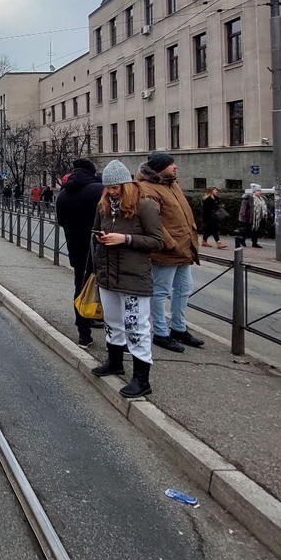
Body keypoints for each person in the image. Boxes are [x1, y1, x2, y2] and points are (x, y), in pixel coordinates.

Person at [90, 160, 164, 398]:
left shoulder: (145, 206)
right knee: (112, 321)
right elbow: (95, 230)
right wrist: (100, 238)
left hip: (133, 277)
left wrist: (125, 239)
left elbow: (157, 241)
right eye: (108, 187)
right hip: (107, 274)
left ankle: (142, 379)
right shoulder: (103, 206)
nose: (111, 191)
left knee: (136, 326)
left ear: (127, 185)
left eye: (116, 187)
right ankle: (115, 362)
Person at [136, 151, 204, 352]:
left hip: (184, 246)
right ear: (160, 168)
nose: (175, 167)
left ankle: (179, 328)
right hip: (167, 250)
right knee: (160, 291)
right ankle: (160, 332)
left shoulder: (172, 184)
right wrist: (169, 243)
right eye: (171, 164)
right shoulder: (147, 188)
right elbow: (153, 221)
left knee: (184, 288)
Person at [55, 158, 105, 346]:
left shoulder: (63, 194)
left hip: (76, 247)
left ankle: (83, 332)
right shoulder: (98, 190)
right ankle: (114, 336)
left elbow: (61, 221)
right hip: (99, 247)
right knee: (106, 288)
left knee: (80, 286)